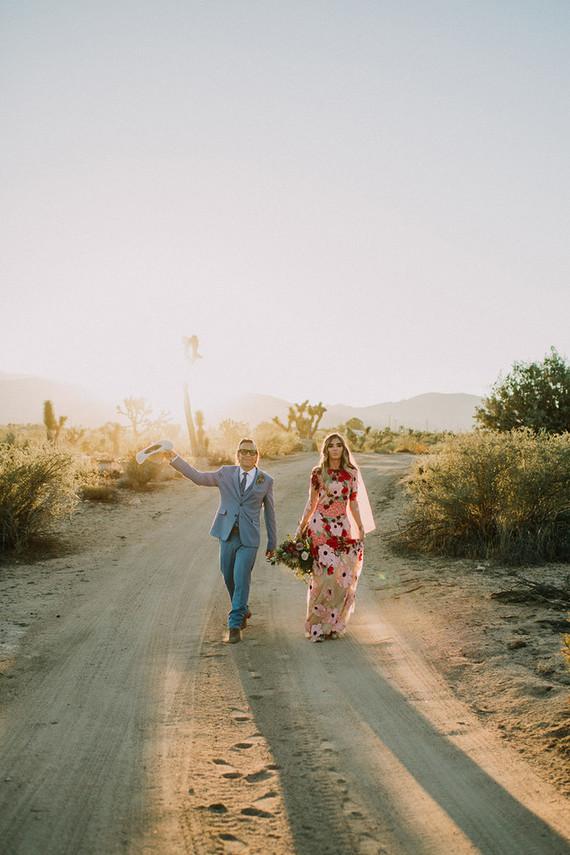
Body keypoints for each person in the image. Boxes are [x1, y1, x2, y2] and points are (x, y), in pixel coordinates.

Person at [163, 438, 277, 643]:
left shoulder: (266, 480)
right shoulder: (225, 473)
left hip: (249, 538)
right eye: (243, 451)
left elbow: (270, 514)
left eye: (252, 452)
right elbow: (198, 477)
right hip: (227, 533)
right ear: (238, 454)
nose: (248, 455)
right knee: (228, 576)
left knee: (241, 576)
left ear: (257, 456)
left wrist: (272, 543)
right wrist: (175, 459)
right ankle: (242, 609)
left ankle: (234, 624)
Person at [294, 433, 375, 642]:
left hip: (342, 529)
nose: (335, 449)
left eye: (339, 445)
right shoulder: (317, 473)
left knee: (341, 579)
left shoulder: (351, 474)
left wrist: (360, 526)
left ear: (343, 449)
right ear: (326, 449)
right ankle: (316, 627)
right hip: (320, 528)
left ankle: (333, 625)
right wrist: (301, 527)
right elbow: (311, 502)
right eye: (331, 446)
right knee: (323, 578)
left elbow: (354, 503)